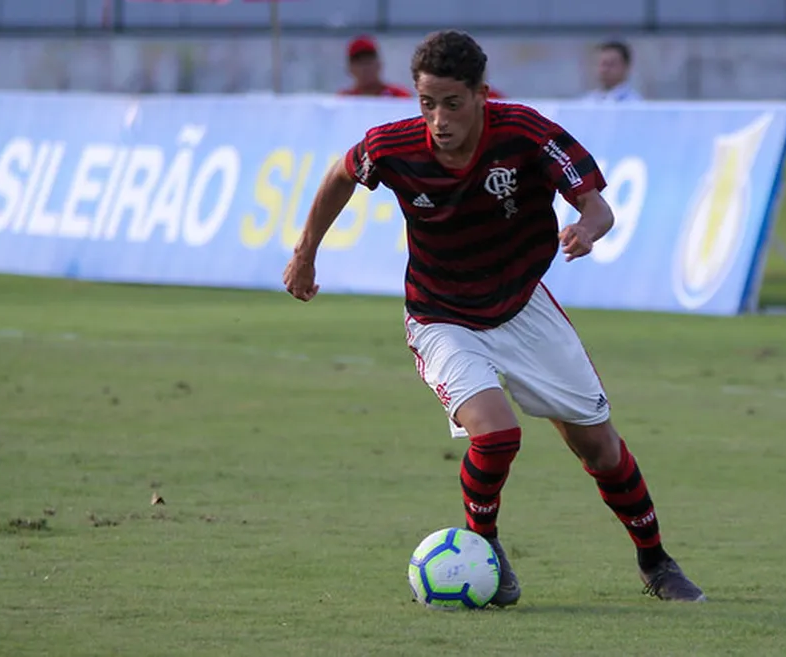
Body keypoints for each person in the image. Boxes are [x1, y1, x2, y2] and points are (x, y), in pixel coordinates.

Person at [283, 30, 704, 606]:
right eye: (426, 103)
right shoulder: (392, 145)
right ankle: (484, 549)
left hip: (523, 307)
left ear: (481, 93)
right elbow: (341, 174)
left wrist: (586, 228)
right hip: (442, 315)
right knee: (498, 432)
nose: (438, 119)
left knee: (600, 449)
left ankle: (656, 563)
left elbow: (598, 205)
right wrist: (305, 252)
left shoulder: (526, 133)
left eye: (452, 103)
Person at [339, 35, 412, 98]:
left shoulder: (398, 96)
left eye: (368, 61)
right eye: (359, 63)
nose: (364, 68)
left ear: (379, 64)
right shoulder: (345, 99)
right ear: (350, 68)